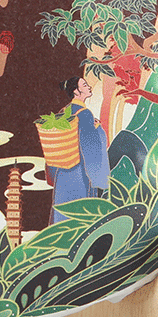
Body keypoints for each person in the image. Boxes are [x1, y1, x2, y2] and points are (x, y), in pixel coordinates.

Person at [46, 77, 110, 224]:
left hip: (63, 172)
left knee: (62, 212)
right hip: (80, 171)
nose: (89, 87)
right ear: (76, 91)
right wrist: (98, 129)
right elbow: (90, 147)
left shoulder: (63, 112)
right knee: (80, 214)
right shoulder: (85, 114)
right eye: (85, 85)